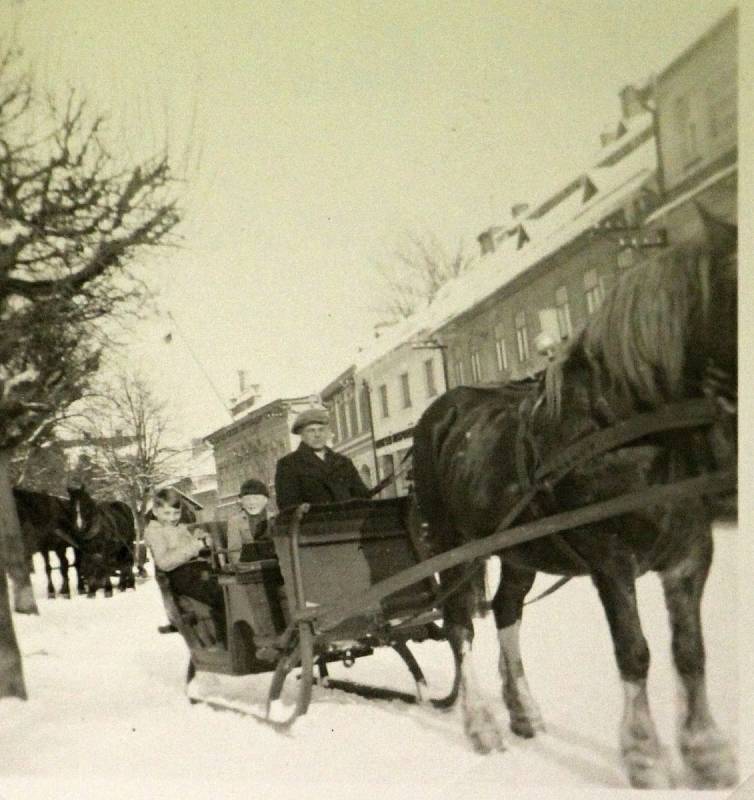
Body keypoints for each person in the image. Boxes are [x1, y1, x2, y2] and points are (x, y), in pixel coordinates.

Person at [144, 488, 226, 644]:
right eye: (167, 513)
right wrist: (195, 546)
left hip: (197, 572)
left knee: (232, 586)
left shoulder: (180, 528)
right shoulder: (154, 532)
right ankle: (225, 641)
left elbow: (192, 548)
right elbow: (165, 562)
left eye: (176, 513)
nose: (172, 518)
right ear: (155, 511)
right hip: (180, 576)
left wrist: (201, 539)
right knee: (222, 595)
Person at [274, 407, 371, 510]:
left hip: (349, 523)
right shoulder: (289, 465)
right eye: (311, 431)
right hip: (314, 524)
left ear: (328, 432)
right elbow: (288, 507)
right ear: (301, 435)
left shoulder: (343, 462)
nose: (317, 435)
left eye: (321, 430)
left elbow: (361, 496)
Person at [226, 478, 270, 565]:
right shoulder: (235, 522)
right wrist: (242, 569)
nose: (251, 502)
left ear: (265, 500)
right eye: (247, 499)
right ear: (241, 501)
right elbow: (234, 551)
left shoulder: (274, 517)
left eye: (256, 498)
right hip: (249, 566)